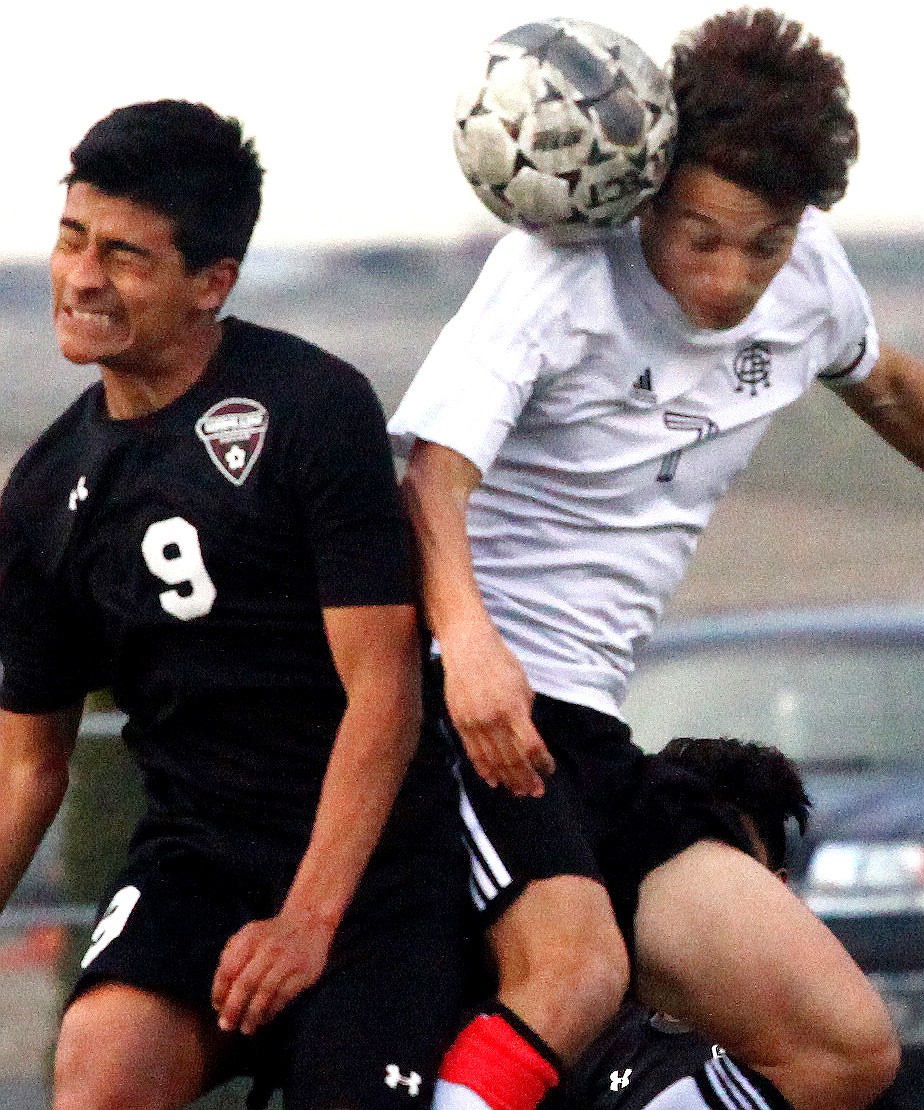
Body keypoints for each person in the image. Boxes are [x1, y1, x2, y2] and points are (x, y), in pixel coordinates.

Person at [389, 9, 917, 1110]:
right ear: (649, 189)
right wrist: (470, 645)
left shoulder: (814, 284)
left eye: (763, 243)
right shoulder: (557, 271)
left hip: (594, 733)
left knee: (844, 1046)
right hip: (478, 703)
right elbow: (430, 478)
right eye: (699, 234)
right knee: (574, 973)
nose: (728, 278)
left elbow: (894, 393)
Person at [0, 99, 465, 1109]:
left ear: (212, 284)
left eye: (125, 256)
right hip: (196, 863)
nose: (81, 277)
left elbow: (383, 696)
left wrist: (306, 922)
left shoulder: (314, 409)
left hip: (372, 867)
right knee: (102, 1071)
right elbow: (29, 765)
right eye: (72, 238)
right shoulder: (42, 492)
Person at [547, 735, 811, 1110]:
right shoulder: (589, 1038)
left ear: (778, 892)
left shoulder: (820, 1051)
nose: (700, 894)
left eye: (731, 871)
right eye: (684, 868)